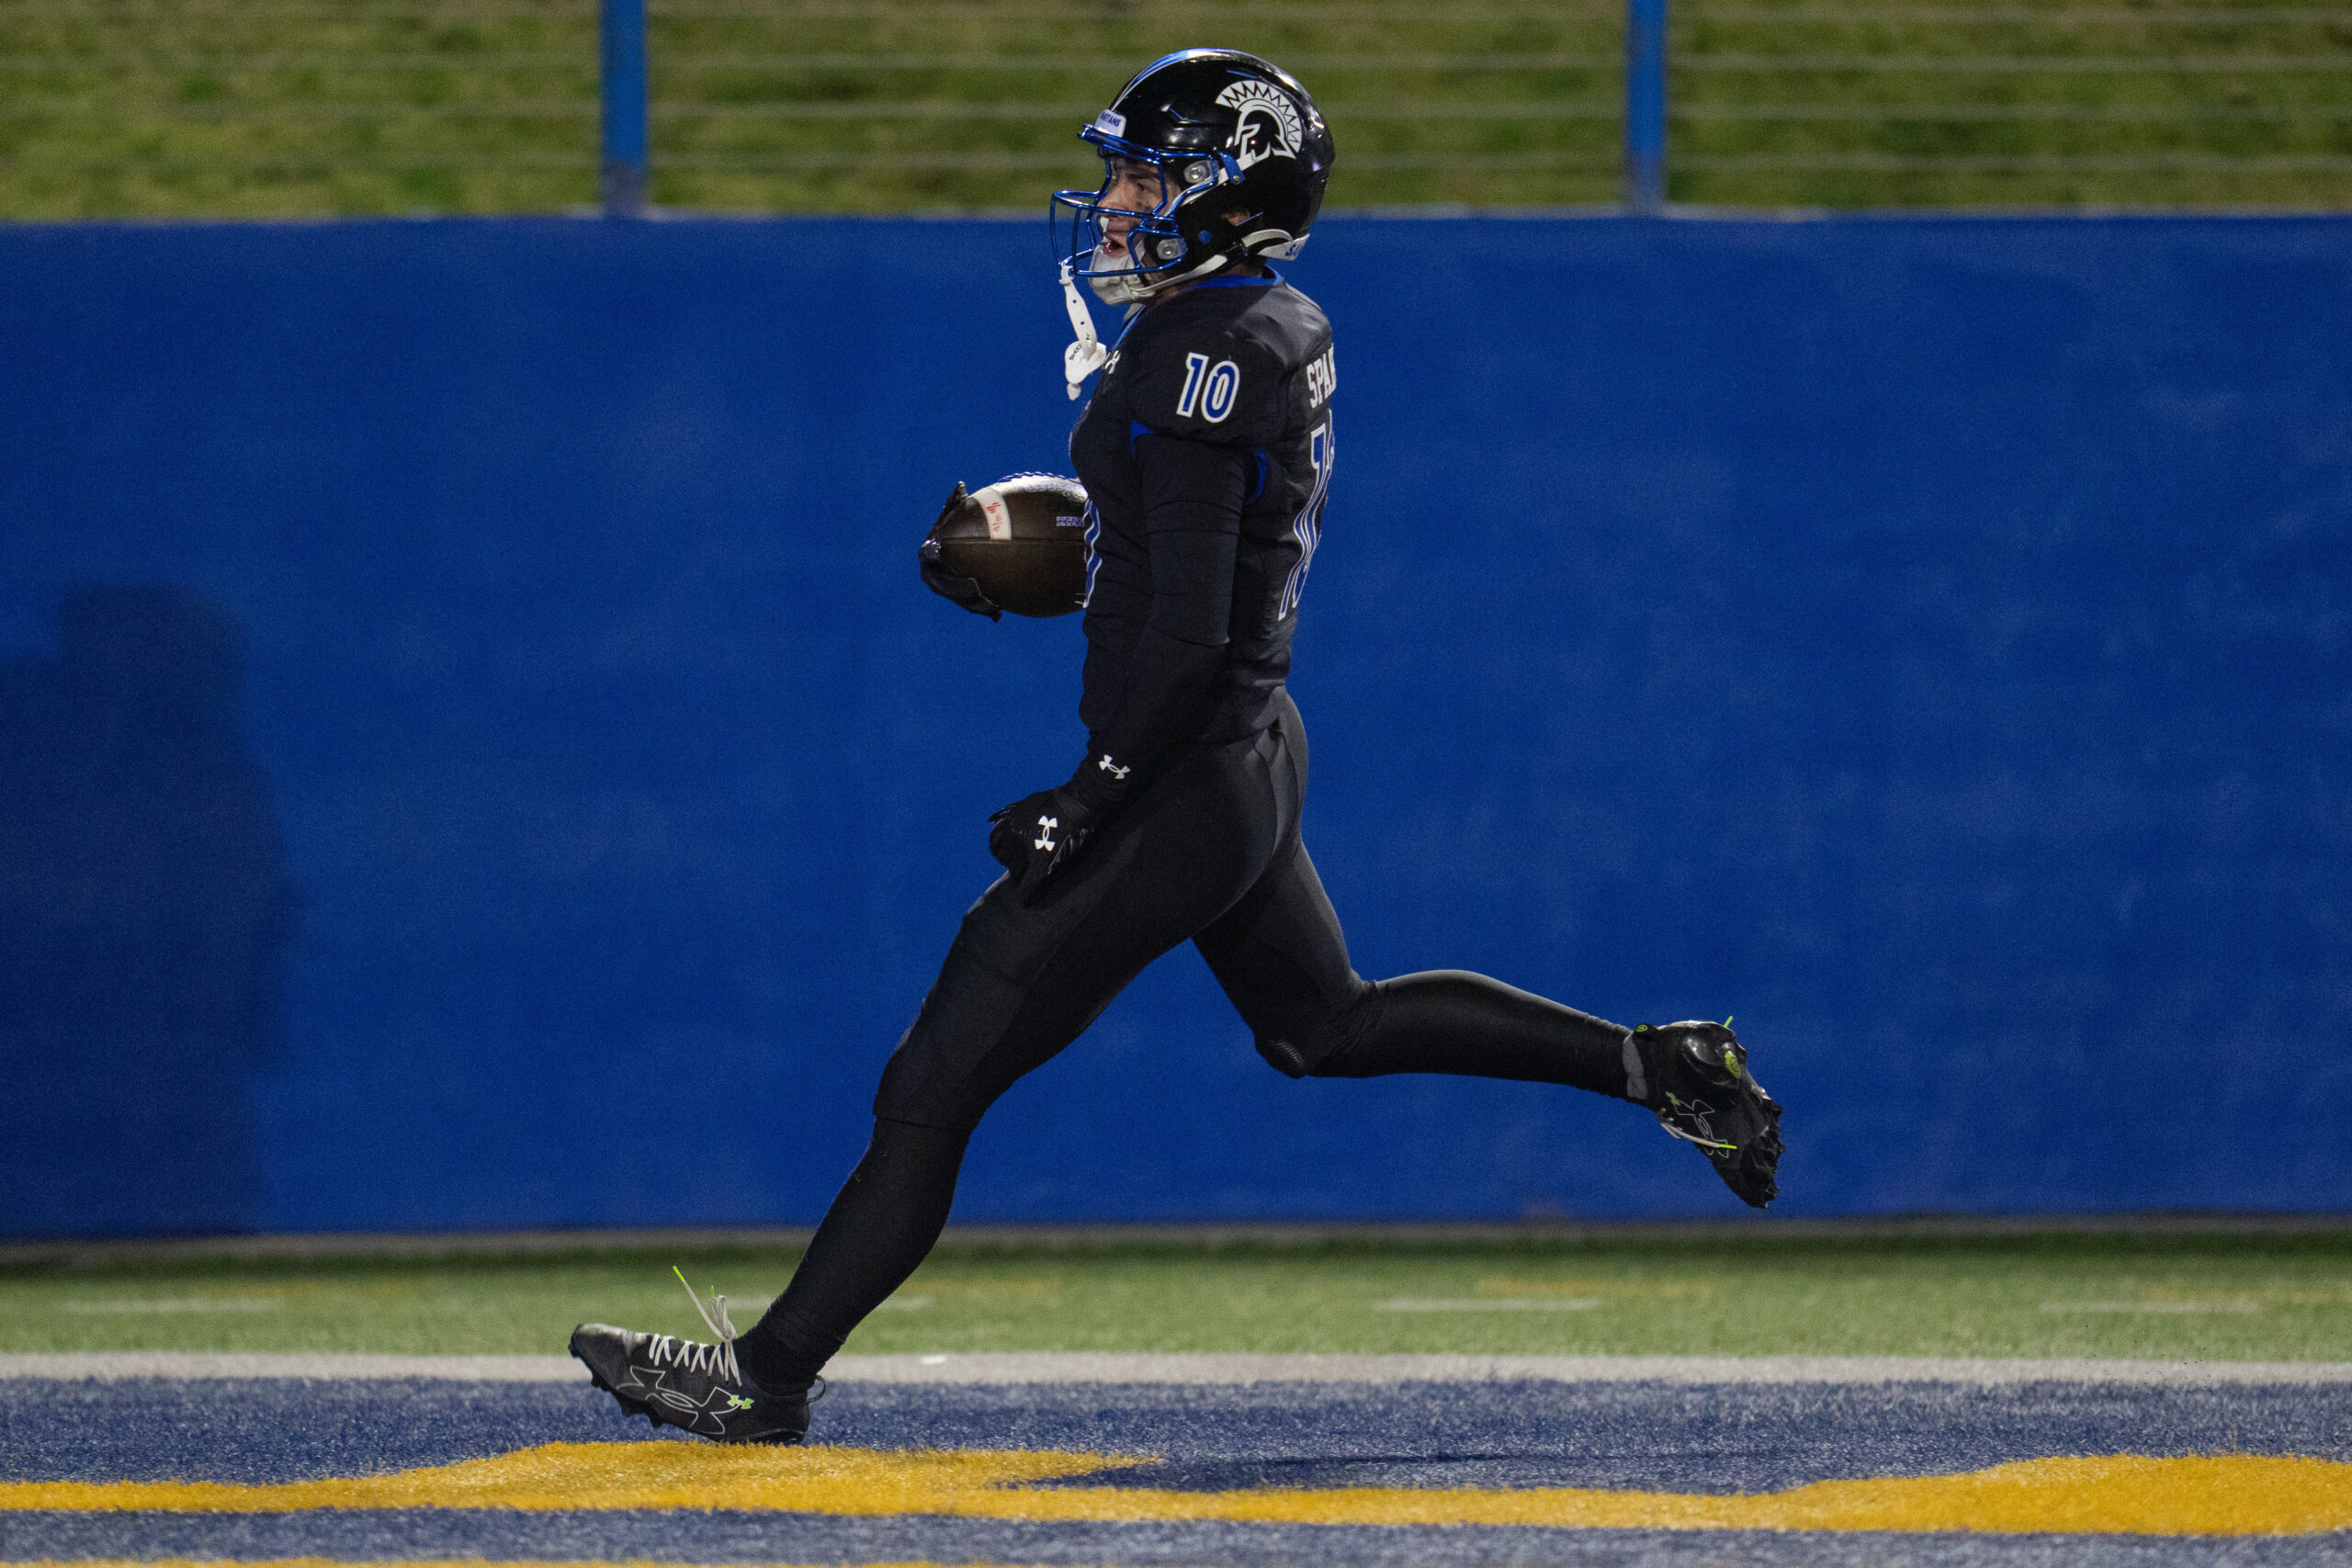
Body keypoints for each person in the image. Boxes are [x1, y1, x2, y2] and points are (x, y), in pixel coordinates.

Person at [570, 49, 1783, 1446]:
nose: (1115, 198)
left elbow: (1193, 626)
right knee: (1326, 1025)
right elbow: (1194, 560)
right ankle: (1655, 1065)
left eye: (1148, 173)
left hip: (1183, 769)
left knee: (933, 1080)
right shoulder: (1266, 323)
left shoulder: (1200, 351)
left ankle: (765, 1376)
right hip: (1250, 750)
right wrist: (1082, 557)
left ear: (1232, 193)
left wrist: (1089, 795)